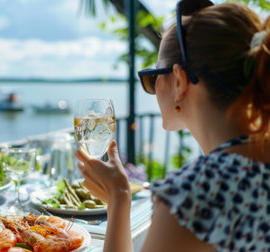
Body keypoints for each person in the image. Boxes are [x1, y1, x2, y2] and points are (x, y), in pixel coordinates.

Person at [76, 0, 269, 251]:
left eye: (154, 76)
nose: (153, 86)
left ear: (178, 81)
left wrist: (118, 198)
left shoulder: (195, 195)